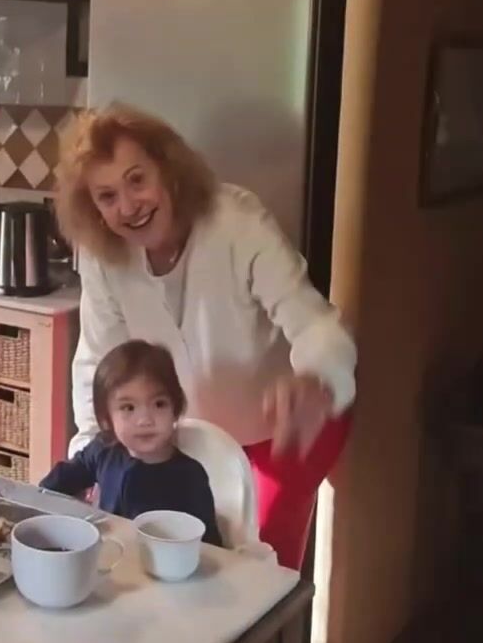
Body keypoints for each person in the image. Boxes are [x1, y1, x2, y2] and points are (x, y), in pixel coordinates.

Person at [54, 103, 357, 569]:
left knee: (259, 568)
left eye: (137, 180)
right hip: (189, 431)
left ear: (168, 169)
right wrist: (90, 455)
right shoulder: (102, 254)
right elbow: (100, 360)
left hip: (292, 420)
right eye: (107, 196)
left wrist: (316, 380)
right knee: (176, 557)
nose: (128, 206)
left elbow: (315, 322)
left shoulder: (237, 222)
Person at [40, 340, 222, 546]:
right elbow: (58, 483)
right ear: (106, 418)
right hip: (107, 556)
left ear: (176, 408)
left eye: (159, 404)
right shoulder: (103, 449)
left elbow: (211, 548)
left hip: (162, 564)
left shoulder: (190, 476)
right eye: (128, 408)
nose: (145, 420)